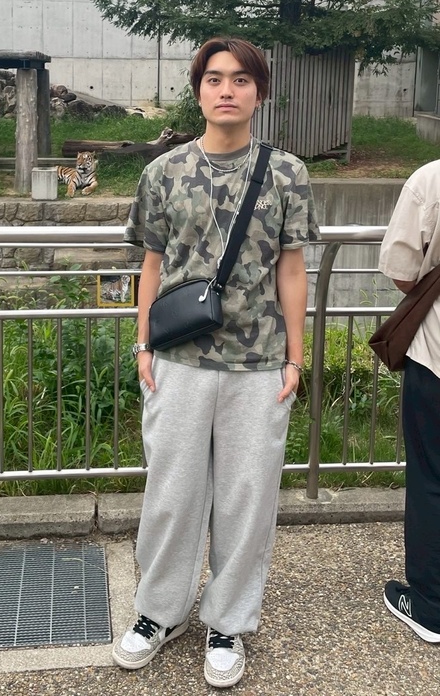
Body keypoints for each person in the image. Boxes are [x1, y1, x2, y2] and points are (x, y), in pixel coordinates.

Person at [113, 37, 320, 688]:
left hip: (259, 365)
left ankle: (228, 621)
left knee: (246, 500)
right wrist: (143, 344)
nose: (226, 90)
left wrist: (295, 358)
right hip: (178, 359)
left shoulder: (286, 173)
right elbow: (151, 264)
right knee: (171, 494)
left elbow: (292, 269)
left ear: (259, 93)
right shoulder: (164, 172)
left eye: (240, 80)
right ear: (198, 89)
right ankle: (159, 611)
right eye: (213, 78)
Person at [378, 159, 440, 643]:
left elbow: (402, 272)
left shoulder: (431, 179)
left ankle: (429, 605)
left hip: (436, 358)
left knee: (431, 478)